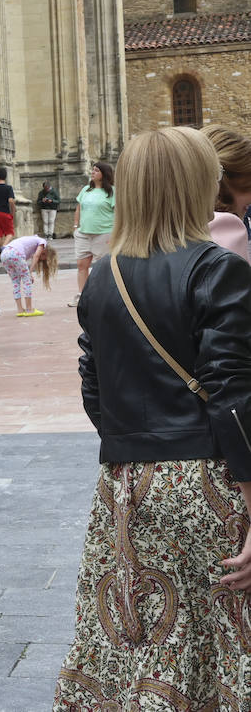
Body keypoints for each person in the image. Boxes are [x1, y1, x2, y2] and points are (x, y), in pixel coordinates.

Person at [54, 126, 251, 710]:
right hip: (209, 482)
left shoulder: (104, 276)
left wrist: (136, 446)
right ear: (198, 185)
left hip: (125, 484)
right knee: (225, 640)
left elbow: (93, 386)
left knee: (152, 638)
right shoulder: (218, 268)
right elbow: (233, 395)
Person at [68, 161, 115, 307]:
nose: (93, 172)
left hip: (103, 234)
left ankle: (103, 295)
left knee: (102, 267)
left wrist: (114, 234)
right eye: (92, 170)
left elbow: (118, 213)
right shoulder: (86, 189)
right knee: (82, 265)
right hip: (83, 233)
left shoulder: (112, 191)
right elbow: (79, 208)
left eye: (96, 170)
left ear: (104, 174)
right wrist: (76, 227)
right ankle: (82, 296)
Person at [0, 235, 57, 316]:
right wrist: (30, 273)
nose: (42, 259)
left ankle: (20, 310)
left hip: (4, 254)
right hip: (15, 253)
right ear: (46, 252)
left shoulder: (32, 242)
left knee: (15, 282)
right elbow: (36, 256)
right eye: (45, 257)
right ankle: (29, 309)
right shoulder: (43, 242)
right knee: (27, 281)